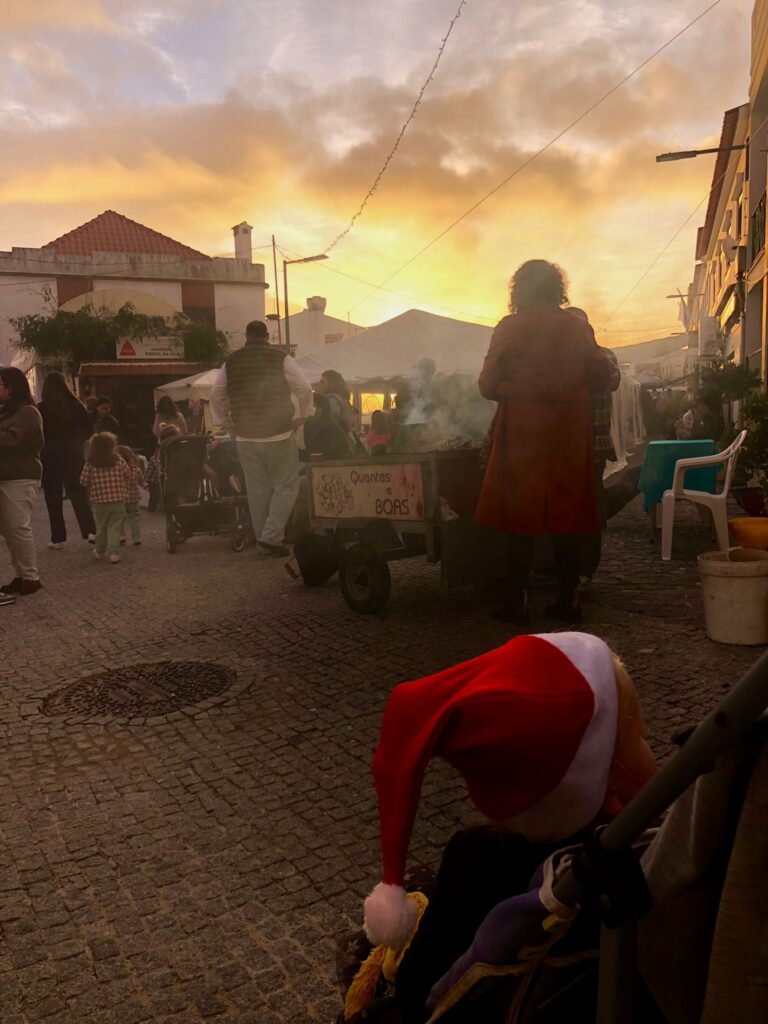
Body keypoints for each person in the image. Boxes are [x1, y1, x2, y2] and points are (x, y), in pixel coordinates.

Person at [356, 633, 656, 1024]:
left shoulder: (477, 861)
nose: (653, 748)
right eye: (642, 738)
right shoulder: (652, 857)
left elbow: (419, 990)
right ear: (611, 792)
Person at [476, 260, 613, 624]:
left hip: (524, 431)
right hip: (569, 431)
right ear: (558, 288)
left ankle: (517, 602)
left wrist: (513, 390)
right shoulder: (577, 326)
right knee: (568, 516)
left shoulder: (509, 327)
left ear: (518, 290)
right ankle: (569, 601)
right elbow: (606, 376)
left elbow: (486, 385)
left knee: (519, 517)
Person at [209, 320, 313, 557]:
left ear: (246, 336)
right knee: (287, 485)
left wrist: (227, 425)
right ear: (267, 336)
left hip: (246, 435)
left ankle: (265, 539)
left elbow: (216, 395)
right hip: (279, 432)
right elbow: (305, 388)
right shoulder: (280, 357)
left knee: (258, 490)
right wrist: (304, 415)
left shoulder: (231, 361)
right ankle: (270, 538)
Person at [567, 308, 621, 588]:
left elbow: (611, 381)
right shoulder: (597, 357)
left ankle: (585, 569)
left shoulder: (604, 356)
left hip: (591, 447)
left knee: (587, 510)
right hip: (572, 449)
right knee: (575, 509)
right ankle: (573, 567)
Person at [38, 371, 96, 548]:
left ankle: (58, 538)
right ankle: (91, 531)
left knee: (53, 497)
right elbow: (88, 430)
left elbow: (38, 434)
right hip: (73, 453)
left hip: (49, 455)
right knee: (78, 494)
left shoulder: (41, 408)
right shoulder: (76, 405)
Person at [0, 367, 44, 597]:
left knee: (18, 527)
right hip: (5, 477)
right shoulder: (5, 413)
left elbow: (15, 441)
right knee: (8, 530)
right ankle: (20, 574)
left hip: (20, 476)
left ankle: (31, 577)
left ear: (11, 387)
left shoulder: (27, 412)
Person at [80, 433, 131, 564]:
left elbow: (83, 480)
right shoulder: (118, 459)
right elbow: (127, 474)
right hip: (118, 498)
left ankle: (99, 550)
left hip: (99, 501)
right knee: (115, 527)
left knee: (101, 527)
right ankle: (114, 553)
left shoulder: (91, 462)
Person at [316, 369, 363, 452]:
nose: (319, 385)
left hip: (337, 443)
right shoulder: (342, 398)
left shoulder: (332, 399)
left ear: (332, 384)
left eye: (323, 382)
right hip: (347, 441)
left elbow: (332, 419)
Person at [302, 392, 355, 461]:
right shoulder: (313, 423)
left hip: (332, 466)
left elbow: (331, 452)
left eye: (309, 405)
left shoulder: (328, 426)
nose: (306, 409)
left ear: (319, 409)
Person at [118, 446, 143, 545]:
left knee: (119, 518)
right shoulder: (136, 469)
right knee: (134, 518)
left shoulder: (118, 469)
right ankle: (136, 538)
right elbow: (141, 481)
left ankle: (121, 536)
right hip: (134, 497)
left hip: (121, 497)